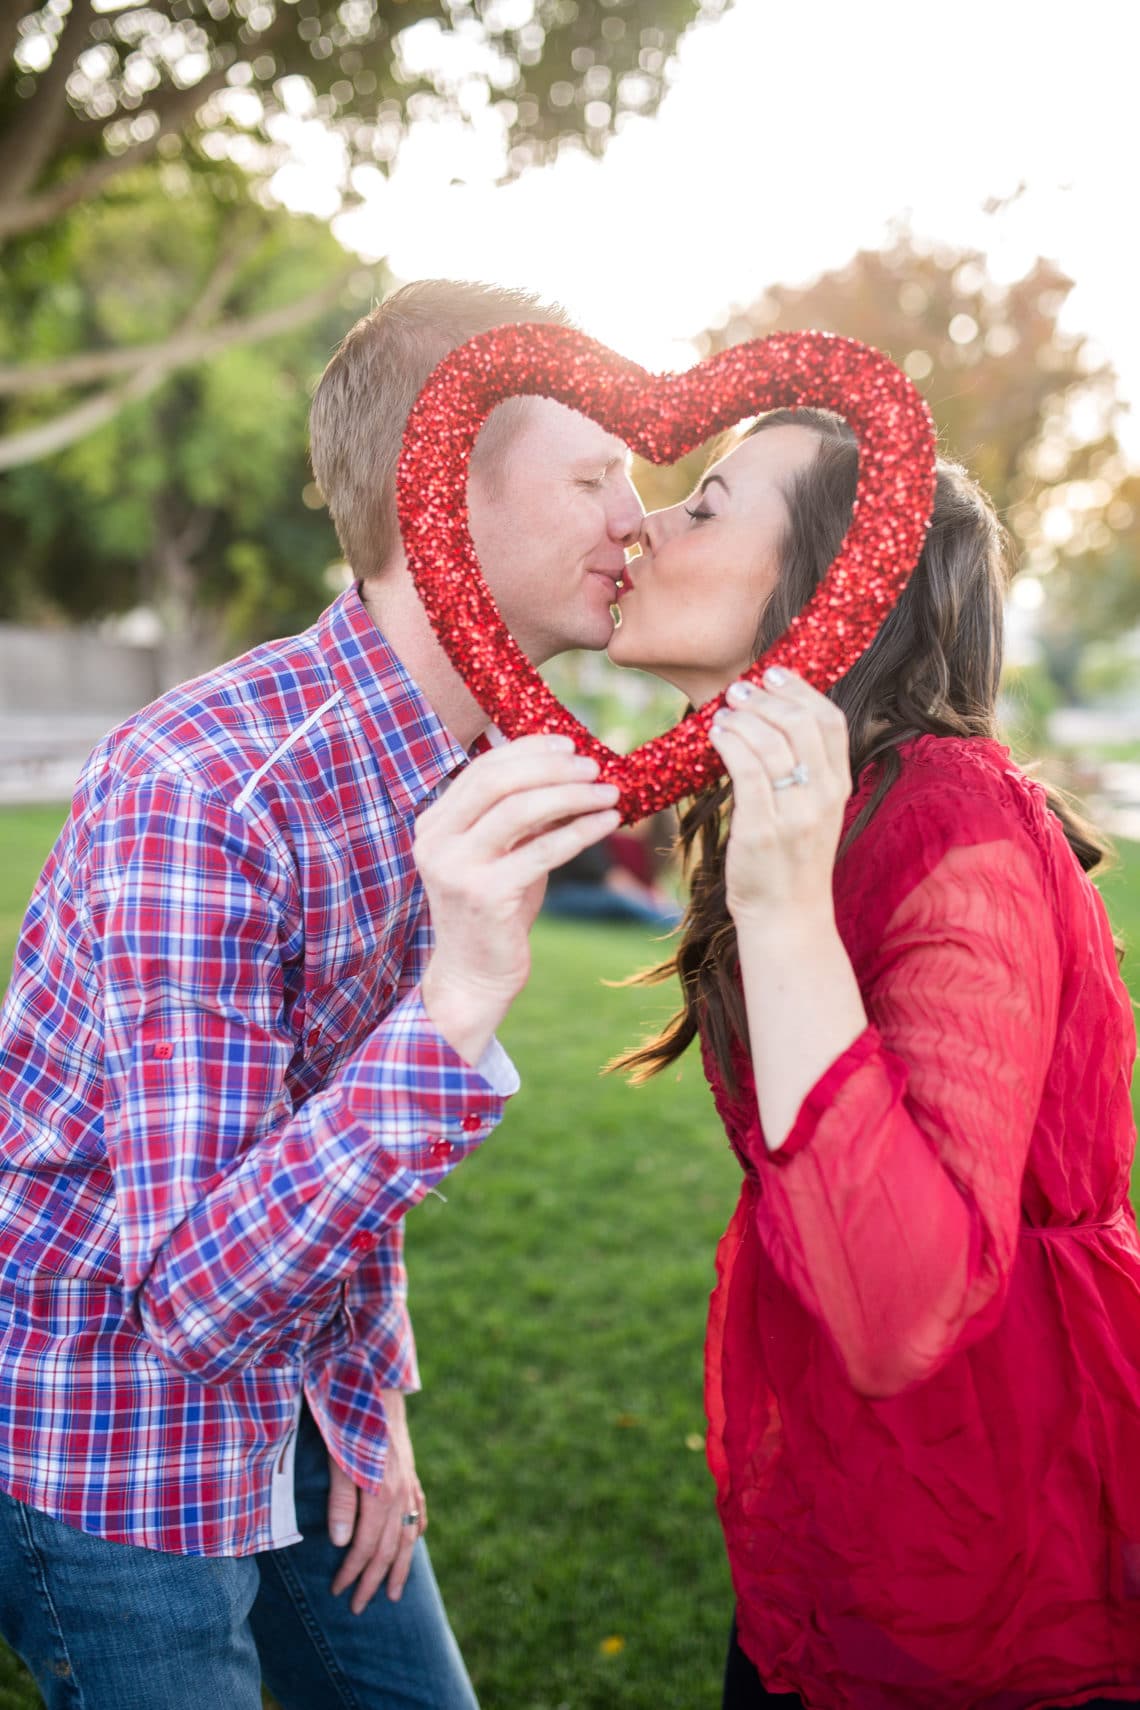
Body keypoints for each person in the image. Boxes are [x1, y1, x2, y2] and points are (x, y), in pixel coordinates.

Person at [0, 279, 641, 1710]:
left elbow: (327, 1122)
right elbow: (191, 1295)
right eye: (596, 474)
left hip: (296, 1388)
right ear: (437, 500)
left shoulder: (453, 757)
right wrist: (461, 1000)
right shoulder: (205, 790)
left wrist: (372, 1395)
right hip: (105, 1426)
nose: (636, 522)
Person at [608, 407, 1140, 1709]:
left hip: (995, 1494)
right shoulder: (821, 805)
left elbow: (905, 1296)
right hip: (858, 1462)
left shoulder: (951, 819)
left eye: (708, 502)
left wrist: (785, 910)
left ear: (835, 588)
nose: (644, 522)